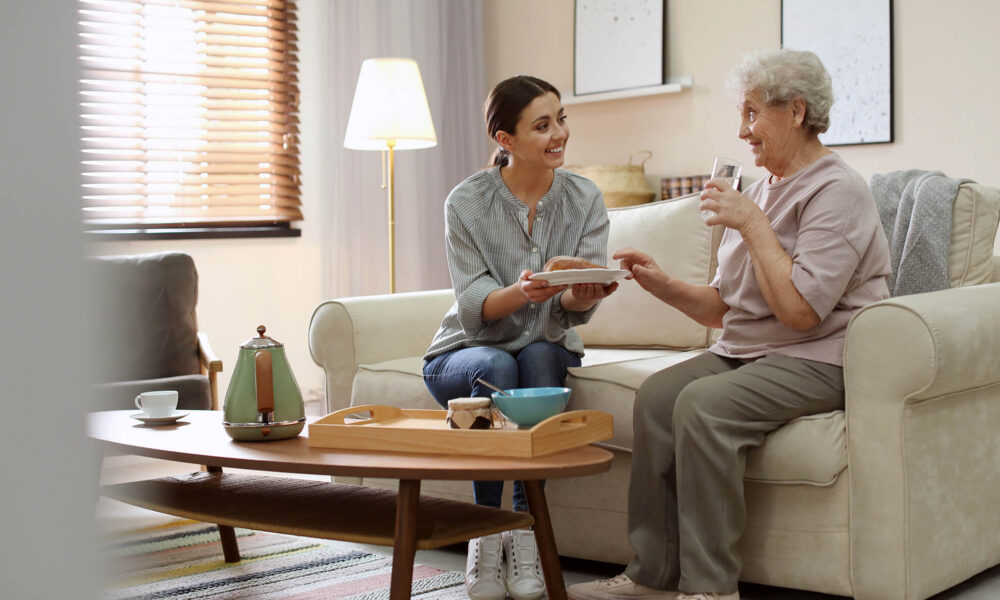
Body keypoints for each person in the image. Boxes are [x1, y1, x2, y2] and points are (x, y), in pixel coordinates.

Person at [568, 48, 892, 600]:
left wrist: (751, 221)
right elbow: (726, 307)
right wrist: (661, 283)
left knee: (703, 405)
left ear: (796, 111)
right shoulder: (764, 187)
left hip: (818, 356)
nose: (742, 132)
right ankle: (652, 575)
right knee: (657, 397)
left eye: (751, 113)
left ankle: (711, 589)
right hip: (750, 350)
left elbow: (800, 311)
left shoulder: (838, 191)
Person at [423, 74, 619, 600]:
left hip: (541, 347)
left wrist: (587, 292)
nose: (559, 134)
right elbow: (473, 308)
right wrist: (522, 291)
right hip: (462, 356)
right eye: (542, 125)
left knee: (536, 355)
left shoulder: (584, 198)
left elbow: (571, 311)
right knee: (502, 364)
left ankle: (524, 530)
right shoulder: (467, 203)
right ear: (505, 141)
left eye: (561, 119)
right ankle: (485, 533)